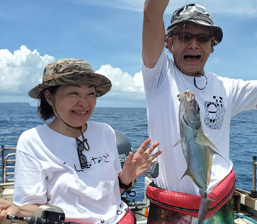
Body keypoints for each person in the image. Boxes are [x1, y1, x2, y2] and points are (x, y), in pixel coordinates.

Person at [142, 0, 257, 223]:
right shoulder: (158, 75)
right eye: (184, 36)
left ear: (212, 46)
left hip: (219, 204)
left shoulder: (228, 88)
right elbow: (151, 11)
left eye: (203, 37)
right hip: (170, 208)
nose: (193, 44)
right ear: (168, 43)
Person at [0, 58, 162, 224]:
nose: (84, 103)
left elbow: (109, 194)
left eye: (91, 93)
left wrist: (124, 179)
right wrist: (17, 211)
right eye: (74, 93)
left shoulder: (105, 132)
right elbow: (30, 207)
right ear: (49, 97)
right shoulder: (33, 141)